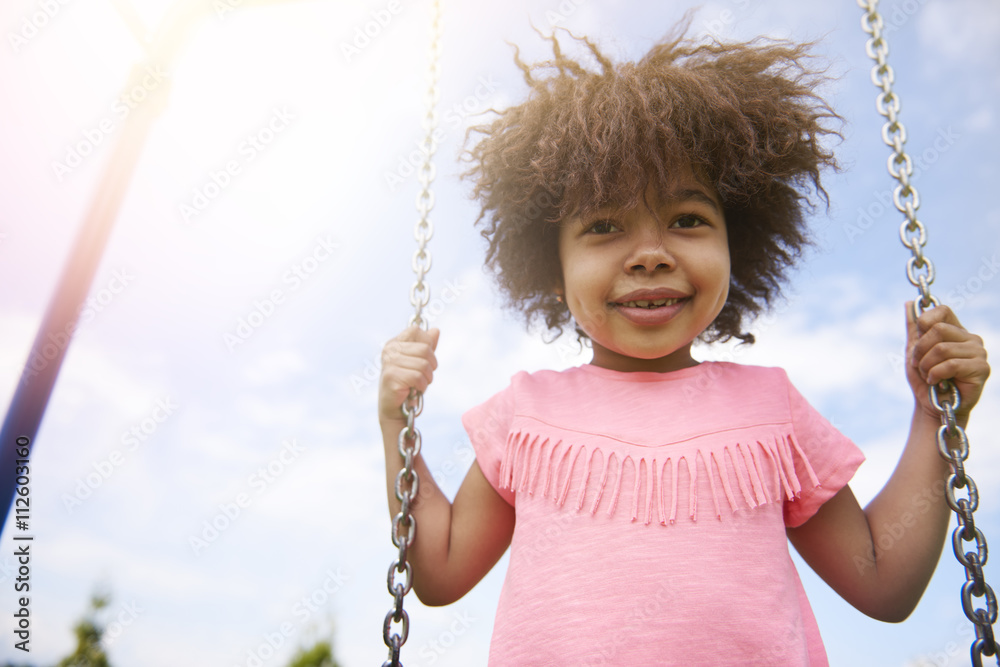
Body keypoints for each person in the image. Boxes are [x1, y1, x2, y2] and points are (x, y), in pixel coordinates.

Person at [377, 23, 990, 666]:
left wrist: (934, 418)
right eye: (605, 226)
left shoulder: (770, 407)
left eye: (687, 220)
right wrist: (398, 422)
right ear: (551, 271)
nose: (649, 255)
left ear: (738, 245)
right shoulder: (527, 412)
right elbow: (440, 571)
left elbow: (882, 580)